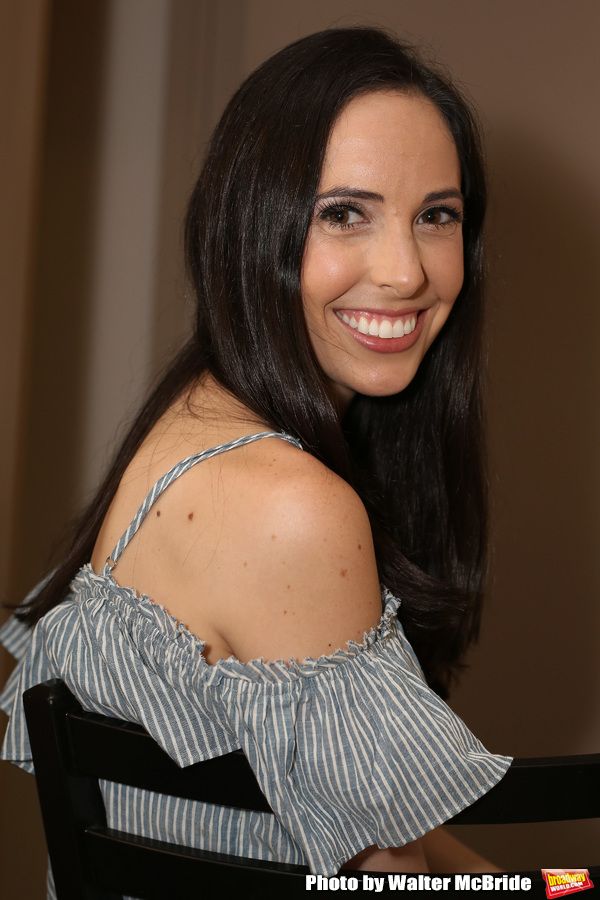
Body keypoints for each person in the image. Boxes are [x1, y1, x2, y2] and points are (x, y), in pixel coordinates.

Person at [0, 26, 512, 896]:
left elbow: (400, 840)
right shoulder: (289, 506)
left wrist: (561, 885)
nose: (404, 273)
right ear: (251, 223)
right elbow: (389, 882)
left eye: (437, 215)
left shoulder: (193, 416)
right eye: (344, 212)